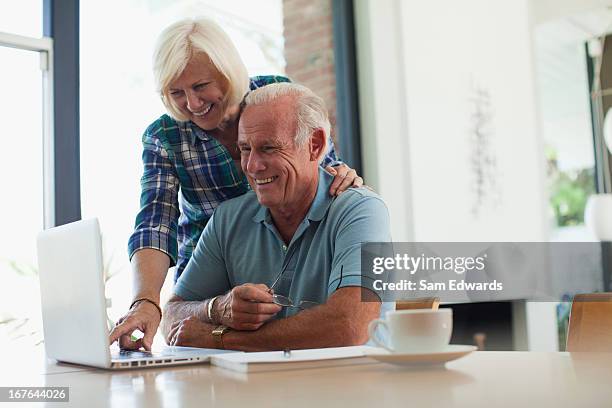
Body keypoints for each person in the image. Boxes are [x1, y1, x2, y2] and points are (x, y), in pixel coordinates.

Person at [109, 17, 363, 351]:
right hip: (208, 285)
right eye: (176, 93)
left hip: (283, 272)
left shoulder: (273, 97)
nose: (193, 103)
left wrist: (344, 180)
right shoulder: (165, 136)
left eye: (201, 86)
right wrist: (146, 301)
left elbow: (317, 170)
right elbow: (155, 224)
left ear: (227, 72)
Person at [161, 83, 391, 351]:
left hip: (355, 388)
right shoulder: (228, 219)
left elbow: (351, 326)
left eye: (269, 148)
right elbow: (171, 316)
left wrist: (220, 338)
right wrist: (216, 309)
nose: (252, 166)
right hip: (262, 390)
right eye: (245, 148)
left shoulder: (361, 211)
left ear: (314, 146)